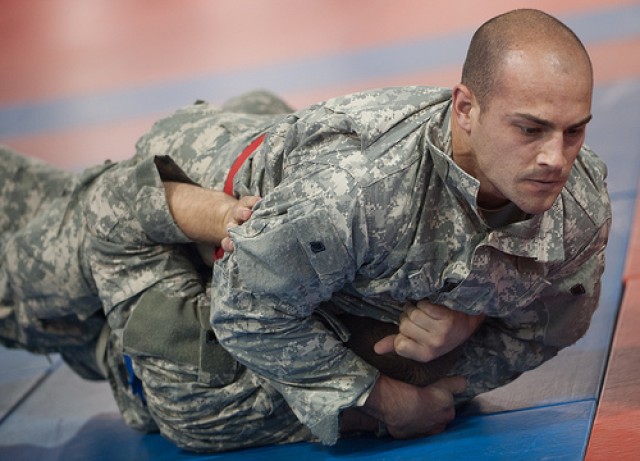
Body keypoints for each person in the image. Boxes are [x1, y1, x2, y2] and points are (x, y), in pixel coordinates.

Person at [0, 8, 610, 453]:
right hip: (204, 180)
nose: (557, 158)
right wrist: (378, 398)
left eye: (574, 130)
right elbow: (245, 309)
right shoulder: (356, 191)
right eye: (530, 129)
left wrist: (466, 332)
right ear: (466, 110)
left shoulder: (576, 206)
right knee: (21, 289)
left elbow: (546, 329)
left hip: (287, 213)